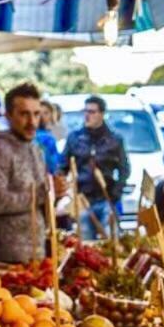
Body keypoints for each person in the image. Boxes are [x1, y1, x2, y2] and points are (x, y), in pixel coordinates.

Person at [0, 82, 61, 265]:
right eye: (24, 114)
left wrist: (55, 192)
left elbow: (42, 200)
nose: (32, 122)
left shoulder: (36, 148)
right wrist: (43, 192)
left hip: (37, 254)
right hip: (8, 260)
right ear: (9, 115)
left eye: (36, 114)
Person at [62, 95, 129, 240]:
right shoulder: (75, 138)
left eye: (92, 112)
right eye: (85, 111)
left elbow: (125, 169)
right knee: (86, 243)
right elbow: (63, 166)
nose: (87, 115)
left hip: (107, 198)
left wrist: (116, 192)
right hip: (83, 198)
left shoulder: (114, 139)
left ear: (102, 114)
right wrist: (65, 191)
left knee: (112, 242)